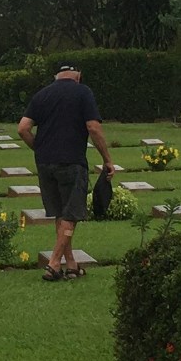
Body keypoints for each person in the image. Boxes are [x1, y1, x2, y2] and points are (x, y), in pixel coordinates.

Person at [18, 62, 114, 281]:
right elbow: (93, 127)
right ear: (78, 76)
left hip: (45, 164)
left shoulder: (42, 95)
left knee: (62, 214)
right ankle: (53, 264)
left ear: (57, 76)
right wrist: (107, 159)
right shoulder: (83, 92)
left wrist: (40, 148)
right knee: (71, 214)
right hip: (72, 162)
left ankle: (70, 265)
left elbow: (23, 128)